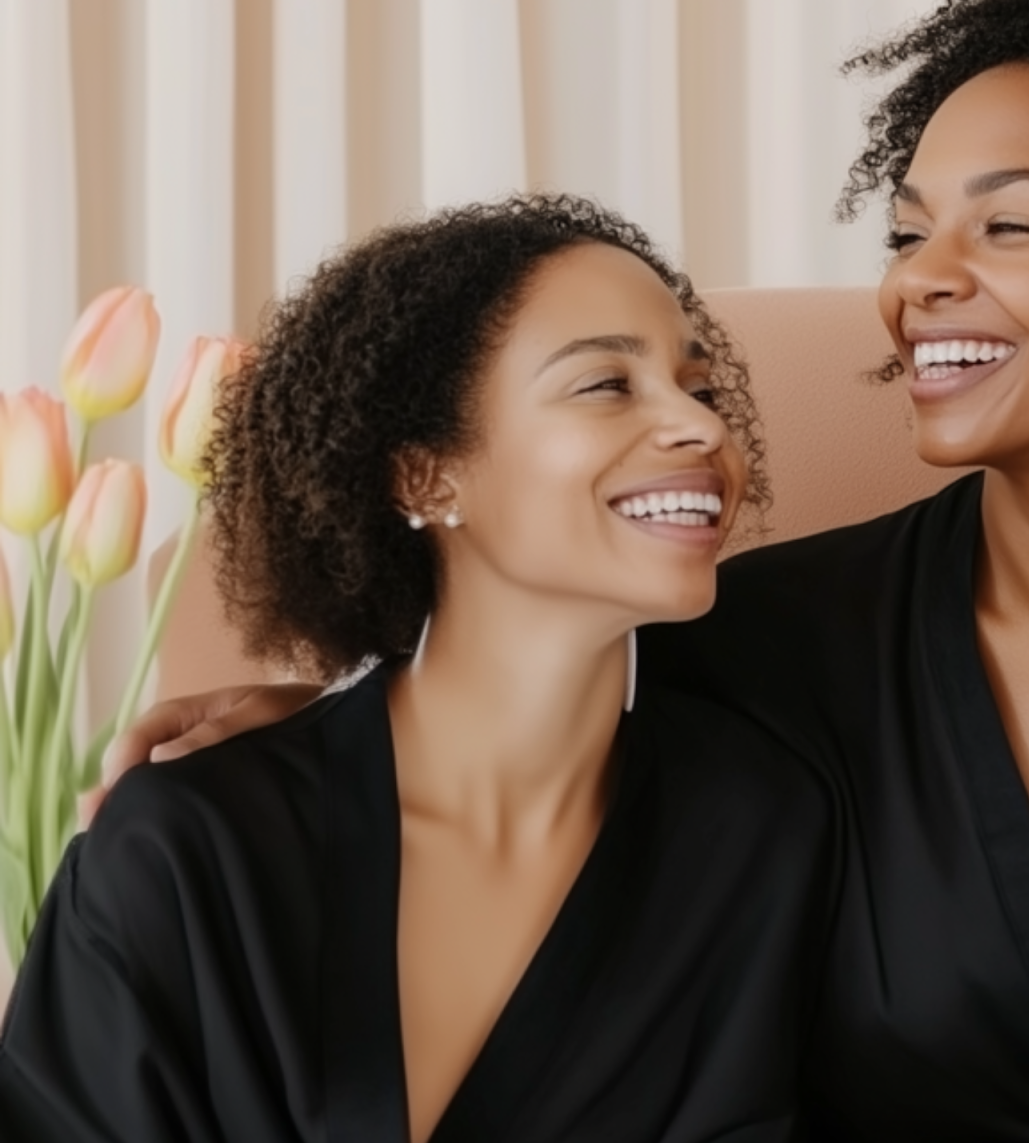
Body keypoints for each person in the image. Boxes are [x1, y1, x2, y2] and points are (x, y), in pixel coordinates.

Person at [97, 0, 1029, 1139]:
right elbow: (509, 814)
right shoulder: (759, 651)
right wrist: (314, 734)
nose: (920, 276)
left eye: (1007, 222)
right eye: (904, 227)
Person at [0, 195, 838, 1142]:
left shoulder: (762, 839)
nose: (698, 427)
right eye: (607, 383)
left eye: (703, 389)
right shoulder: (189, 850)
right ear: (426, 477)